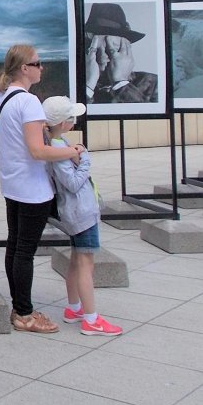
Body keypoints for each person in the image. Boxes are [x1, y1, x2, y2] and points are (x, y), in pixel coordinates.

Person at [0, 44, 83, 333]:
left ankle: (19, 307)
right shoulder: (28, 102)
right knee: (25, 251)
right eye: (37, 63)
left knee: (15, 245)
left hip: (12, 181)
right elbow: (37, 151)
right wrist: (72, 151)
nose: (42, 67)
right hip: (32, 187)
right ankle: (25, 314)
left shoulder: (1, 97)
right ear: (24, 68)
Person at [43, 96, 123, 337]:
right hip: (81, 213)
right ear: (64, 122)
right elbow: (73, 182)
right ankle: (91, 318)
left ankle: (74, 308)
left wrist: (75, 154)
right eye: (71, 118)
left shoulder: (57, 143)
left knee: (77, 261)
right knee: (86, 264)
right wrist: (84, 158)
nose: (74, 121)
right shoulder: (59, 149)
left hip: (77, 213)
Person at [84, 3, 158, 104]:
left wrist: (120, 83)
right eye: (95, 50)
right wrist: (87, 88)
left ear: (127, 50)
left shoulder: (154, 84)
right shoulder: (71, 85)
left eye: (111, 50)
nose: (101, 59)